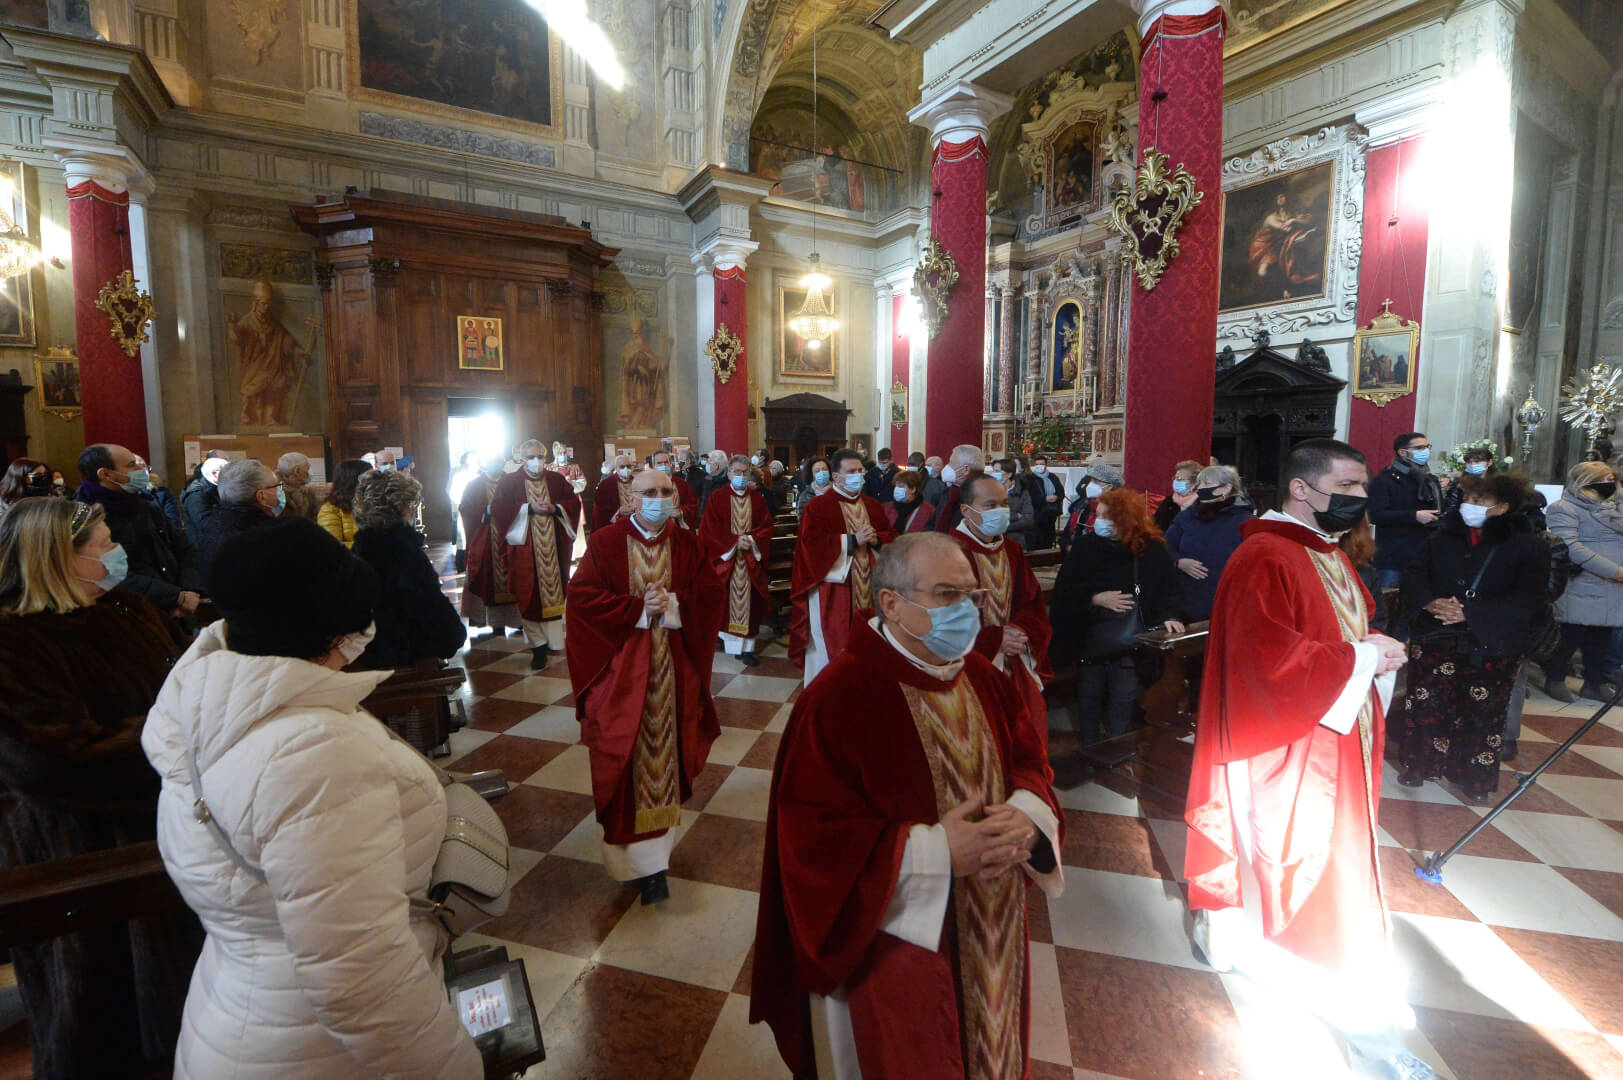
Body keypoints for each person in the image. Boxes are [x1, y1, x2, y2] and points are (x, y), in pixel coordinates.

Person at [141, 517, 482, 1079]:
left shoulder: (209, 700)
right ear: (329, 631)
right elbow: (362, 978)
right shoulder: (316, 755)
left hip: (244, 1009)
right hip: (319, 1049)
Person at [752, 533, 1064, 1078]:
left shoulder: (984, 677)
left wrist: (1027, 813)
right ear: (891, 604)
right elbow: (810, 841)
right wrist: (934, 854)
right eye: (946, 595)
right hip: (894, 942)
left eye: (971, 595)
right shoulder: (837, 698)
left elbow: (1029, 759)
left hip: (994, 922)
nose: (967, 611)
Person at [1183, 438, 1425, 1078]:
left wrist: (1372, 646)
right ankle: (1287, 953)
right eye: (1347, 487)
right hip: (1287, 741)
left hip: (1334, 728)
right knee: (1296, 854)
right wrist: (1363, 657)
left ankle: (1328, 954)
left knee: (1339, 856)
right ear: (1301, 488)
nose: (1360, 498)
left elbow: (1339, 631)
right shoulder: (1264, 555)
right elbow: (1264, 659)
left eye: (1362, 487)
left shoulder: (1325, 551)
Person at [0, 499, 199, 1079]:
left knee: (178, 1007)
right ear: (58, 559)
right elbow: (48, 759)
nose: (118, 553)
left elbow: (186, 687)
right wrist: (169, 740)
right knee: (97, 1014)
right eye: (105, 545)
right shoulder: (16, 640)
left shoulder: (126, 607)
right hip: (77, 845)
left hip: (163, 826)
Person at [565, 467, 723, 902]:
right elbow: (581, 601)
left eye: (665, 490)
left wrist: (671, 603)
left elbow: (710, 596)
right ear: (631, 499)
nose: (658, 498)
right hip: (620, 677)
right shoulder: (605, 543)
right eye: (649, 492)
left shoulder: (689, 545)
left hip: (674, 674)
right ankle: (628, 862)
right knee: (621, 758)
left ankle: (656, 868)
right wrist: (636, 609)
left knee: (665, 761)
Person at [1397, 473, 1546, 802]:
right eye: (1468, 498)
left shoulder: (1528, 546)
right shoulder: (1442, 536)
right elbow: (1415, 575)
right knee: (1426, 704)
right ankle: (1419, 765)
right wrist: (1430, 602)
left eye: (1479, 500)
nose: (1469, 505)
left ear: (1502, 507)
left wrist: (1471, 613)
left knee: (1482, 713)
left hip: (1491, 641)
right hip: (1438, 634)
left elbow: (1528, 599)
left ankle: (1473, 778)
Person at [1052, 488, 1186, 744]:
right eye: (1099, 515)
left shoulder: (1150, 548)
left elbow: (1168, 588)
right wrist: (1094, 598)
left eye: (1107, 516)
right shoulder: (1085, 546)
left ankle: (1118, 751)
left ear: (1125, 519)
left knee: (1123, 698)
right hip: (1091, 638)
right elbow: (1065, 590)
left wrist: (1171, 614)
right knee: (1089, 697)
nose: (1099, 521)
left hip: (1129, 642)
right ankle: (1090, 749)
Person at [950, 472, 1053, 743]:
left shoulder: (1012, 549)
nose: (1001, 511)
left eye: (1004, 503)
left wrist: (1018, 631)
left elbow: (1030, 602)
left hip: (1013, 657)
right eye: (990, 505)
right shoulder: (946, 551)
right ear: (966, 511)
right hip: (968, 666)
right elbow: (938, 618)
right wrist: (994, 639)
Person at [790, 448, 898, 684]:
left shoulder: (872, 505)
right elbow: (810, 547)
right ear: (836, 477)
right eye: (851, 471)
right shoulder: (818, 507)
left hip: (871, 588)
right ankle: (827, 691)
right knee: (831, 645)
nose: (857, 475)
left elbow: (891, 536)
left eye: (860, 470)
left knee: (871, 643)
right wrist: (851, 540)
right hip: (833, 590)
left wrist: (877, 539)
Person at [349, 469, 467, 670]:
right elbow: (433, 615)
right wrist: (454, 637)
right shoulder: (403, 552)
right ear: (403, 508)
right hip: (403, 658)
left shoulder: (359, 548)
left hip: (368, 654)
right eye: (412, 504)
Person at [75, 443, 203, 620]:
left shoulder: (146, 507)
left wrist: (188, 591)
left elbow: (185, 548)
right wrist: (172, 596)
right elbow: (104, 573)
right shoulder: (83, 519)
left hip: (178, 610)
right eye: (131, 465)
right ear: (105, 474)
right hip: (127, 616)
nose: (141, 469)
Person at [491, 438, 582, 670]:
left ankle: (553, 642)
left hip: (554, 548)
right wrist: (528, 508)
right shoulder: (510, 481)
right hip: (524, 549)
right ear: (522, 459)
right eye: (531, 457)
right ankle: (537, 646)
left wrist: (556, 508)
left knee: (554, 594)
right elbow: (499, 510)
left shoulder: (556, 479)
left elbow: (573, 503)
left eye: (540, 457)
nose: (536, 461)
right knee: (527, 595)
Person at [1541, 460, 1623, 703]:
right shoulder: (1564, 507)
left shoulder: (1615, 507)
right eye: (1605, 480)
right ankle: (1555, 679)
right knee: (1570, 634)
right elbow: (1570, 546)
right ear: (1585, 481)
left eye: (1612, 479)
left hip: (1613, 585)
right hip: (1585, 580)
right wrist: (1613, 571)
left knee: (1601, 637)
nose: (1611, 484)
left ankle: (1595, 684)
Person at [700, 454, 774, 665]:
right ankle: (730, 644)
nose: (741, 476)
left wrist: (750, 539)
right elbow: (709, 529)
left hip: (750, 561)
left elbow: (767, 526)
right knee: (725, 603)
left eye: (745, 472)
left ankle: (748, 649)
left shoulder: (757, 498)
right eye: (737, 472)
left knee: (751, 604)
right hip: (728, 561)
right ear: (729, 473)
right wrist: (733, 542)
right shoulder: (717, 497)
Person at [1165, 464, 1252, 622]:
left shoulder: (1246, 522)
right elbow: (1164, 548)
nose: (1200, 488)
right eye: (1199, 484)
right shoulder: (1187, 517)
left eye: (1207, 484)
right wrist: (1178, 562)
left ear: (1226, 488)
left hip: (1228, 604)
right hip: (1186, 604)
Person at [1366, 431, 1442, 589]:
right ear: (1402, 452)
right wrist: (1414, 516)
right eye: (1419, 448)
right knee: (1389, 599)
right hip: (1394, 556)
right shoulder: (1385, 480)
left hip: (1424, 554)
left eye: (1427, 447)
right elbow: (1376, 514)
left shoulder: (1430, 480)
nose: (1425, 451)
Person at [458, 456, 521, 639]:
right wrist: (484, 512)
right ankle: (492, 621)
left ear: (503, 464)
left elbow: (522, 504)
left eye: (499, 462)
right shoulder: (474, 485)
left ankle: (517, 620)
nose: (495, 466)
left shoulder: (513, 483)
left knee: (516, 575)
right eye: (492, 462)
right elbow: (465, 509)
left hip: (511, 536)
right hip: (485, 539)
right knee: (486, 576)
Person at [195, 458, 283, 582]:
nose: (280, 492)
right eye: (277, 486)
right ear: (262, 497)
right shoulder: (266, 536)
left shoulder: (214, 524)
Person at [1059, 460, 1123, 554]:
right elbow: (1065, 535)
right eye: (1091, 481)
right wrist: (1068, 547)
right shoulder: (1081, 505)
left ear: (1109, 486)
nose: (1090, 485)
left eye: (1096, 481)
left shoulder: (1118, 510)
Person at [932, 444, 986, 533]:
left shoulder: (981, 497)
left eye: (951, 463)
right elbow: (932, 523)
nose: (947, 466)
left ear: (966, 469)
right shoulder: (949, 492)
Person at [317, 458, 367, 549]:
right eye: (368, 478)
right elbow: (331, 546)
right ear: (354, 482)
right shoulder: (330, 510)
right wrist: (369, 547)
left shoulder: (373, 504)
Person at [650, 447, 699, 529]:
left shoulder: (682, 483)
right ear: (654, 466)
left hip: (679, 528)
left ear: (670, 464)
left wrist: (681, 511)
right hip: (657, 528)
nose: (663, 465)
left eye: (666, 462)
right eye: (659, 463)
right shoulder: (648, 485)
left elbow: (694, 505)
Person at [994, 456, 1035, 548]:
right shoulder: (989, 491)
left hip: (1015, 540)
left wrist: (1002, 527)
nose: (994, 474)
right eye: (993, 471)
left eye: (997, 471)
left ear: (1009, 474)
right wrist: (1015, 516)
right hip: (994, 541)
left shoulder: (1022, 492)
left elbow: (1028, 520)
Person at [447, 450, 478, 570]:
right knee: (462, 537)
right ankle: (461, 564)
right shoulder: (456, 473)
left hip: (477, 508)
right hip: (461, 507)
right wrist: (455, 507)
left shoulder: (479, 473)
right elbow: (450, 490)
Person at [182, 454, 227, 535]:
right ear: (214, 474)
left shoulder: (217, 490)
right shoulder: (196, 496)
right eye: (227, 473)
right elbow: (206, 525)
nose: (231, 476)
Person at [1155, 459, 1203, 532]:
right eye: (1175, 478)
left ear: (1194, 483)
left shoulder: (1201, 503)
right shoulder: (1169, 501)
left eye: (1180, 479)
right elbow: (1155, 524)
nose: (1176, 482)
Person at [1030, 454, 1065, 549]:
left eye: (1042, 464)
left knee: (1049, 535)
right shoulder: (1031, 478)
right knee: (1038, 537)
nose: (1039, 466)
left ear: (1046, 465)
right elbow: (1030, 496)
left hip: (1051, 511)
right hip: (1037, 512)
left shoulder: (1052, 477)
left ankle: (1048, 551)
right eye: (1037, 464)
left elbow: (1061, 492)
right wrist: (1044, 499)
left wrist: (1056, 497)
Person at [884, 467, 935, 533]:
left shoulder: (929, 510)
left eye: (901, 486)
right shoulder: (886, 507)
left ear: (913, 489)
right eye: (896, 486)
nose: (896, 489)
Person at [594, 453, 636, 530]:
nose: (626, 469)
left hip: (636, 523)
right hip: (615, 524)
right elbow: (600, 508)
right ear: (616, 468)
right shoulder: (606, 484)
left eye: (628, 466)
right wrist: (618, 511)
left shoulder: (638, 482)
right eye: (622, 467)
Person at [276, 451, 316, 519]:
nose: (309, 472)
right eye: (307, 468)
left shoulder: (309, 492)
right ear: (297, 471)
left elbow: (315, 517)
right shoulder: (276, 493)